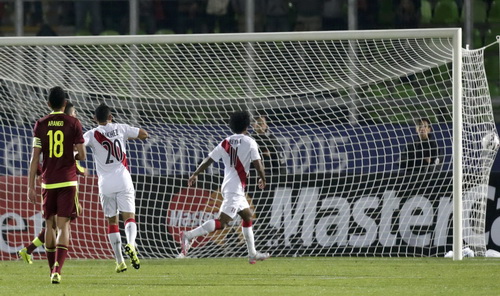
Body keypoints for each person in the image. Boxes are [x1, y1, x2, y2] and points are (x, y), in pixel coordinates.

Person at [181, 110, 270, 264]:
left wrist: (196, 173)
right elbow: (258, 163)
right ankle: (188, 235)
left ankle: (252, 254)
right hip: (234, 189)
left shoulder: (225, 142)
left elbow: (209, 160)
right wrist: (262, 178)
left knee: (247, 216)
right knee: (222, 222)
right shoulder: (250, 142)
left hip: (230, 186)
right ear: (247, 125)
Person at [27, 87, 86, 284]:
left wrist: (30, 186)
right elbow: (83, 155)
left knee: (49, 225)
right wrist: (74, 155)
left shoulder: (40, 124)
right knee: (64, 226)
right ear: (64, 104)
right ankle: (57, 270)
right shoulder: (74, 122)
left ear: (48, 104)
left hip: (48, 182)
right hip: (68, 180)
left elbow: (35, 158)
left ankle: (50, 269)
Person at [83, 103, 148, 273]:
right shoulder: (121, 128)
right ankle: (132, 244)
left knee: (112, 221)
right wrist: (124, 135)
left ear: (94, 119)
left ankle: (120, 262)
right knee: (129, 217)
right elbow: (143, 134)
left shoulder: (91, 134)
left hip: (105, 183)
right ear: (111, 116)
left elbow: (79, 147)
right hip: (123, 178)